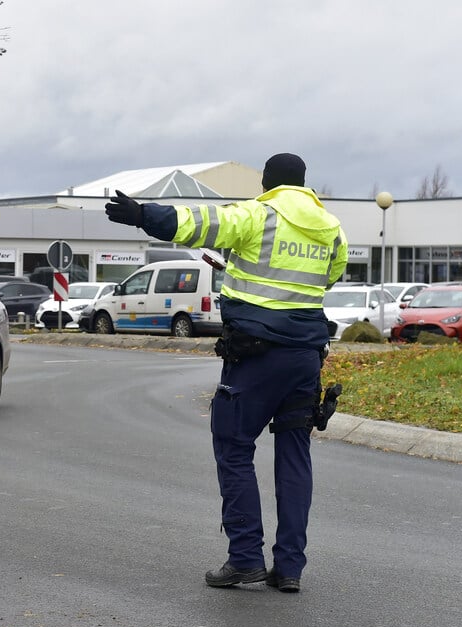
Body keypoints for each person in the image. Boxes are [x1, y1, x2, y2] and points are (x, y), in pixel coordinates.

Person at [105, 153, 348, 593]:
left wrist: (142, 214)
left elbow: (198, 223)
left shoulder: (258, 215)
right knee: (295, 455)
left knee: (234, 446)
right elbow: (326, 279)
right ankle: (289, 568)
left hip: (256, 355)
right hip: (306, 357)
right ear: (303, 183)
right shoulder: (331, 229)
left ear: (267, 182)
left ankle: (245, 558)